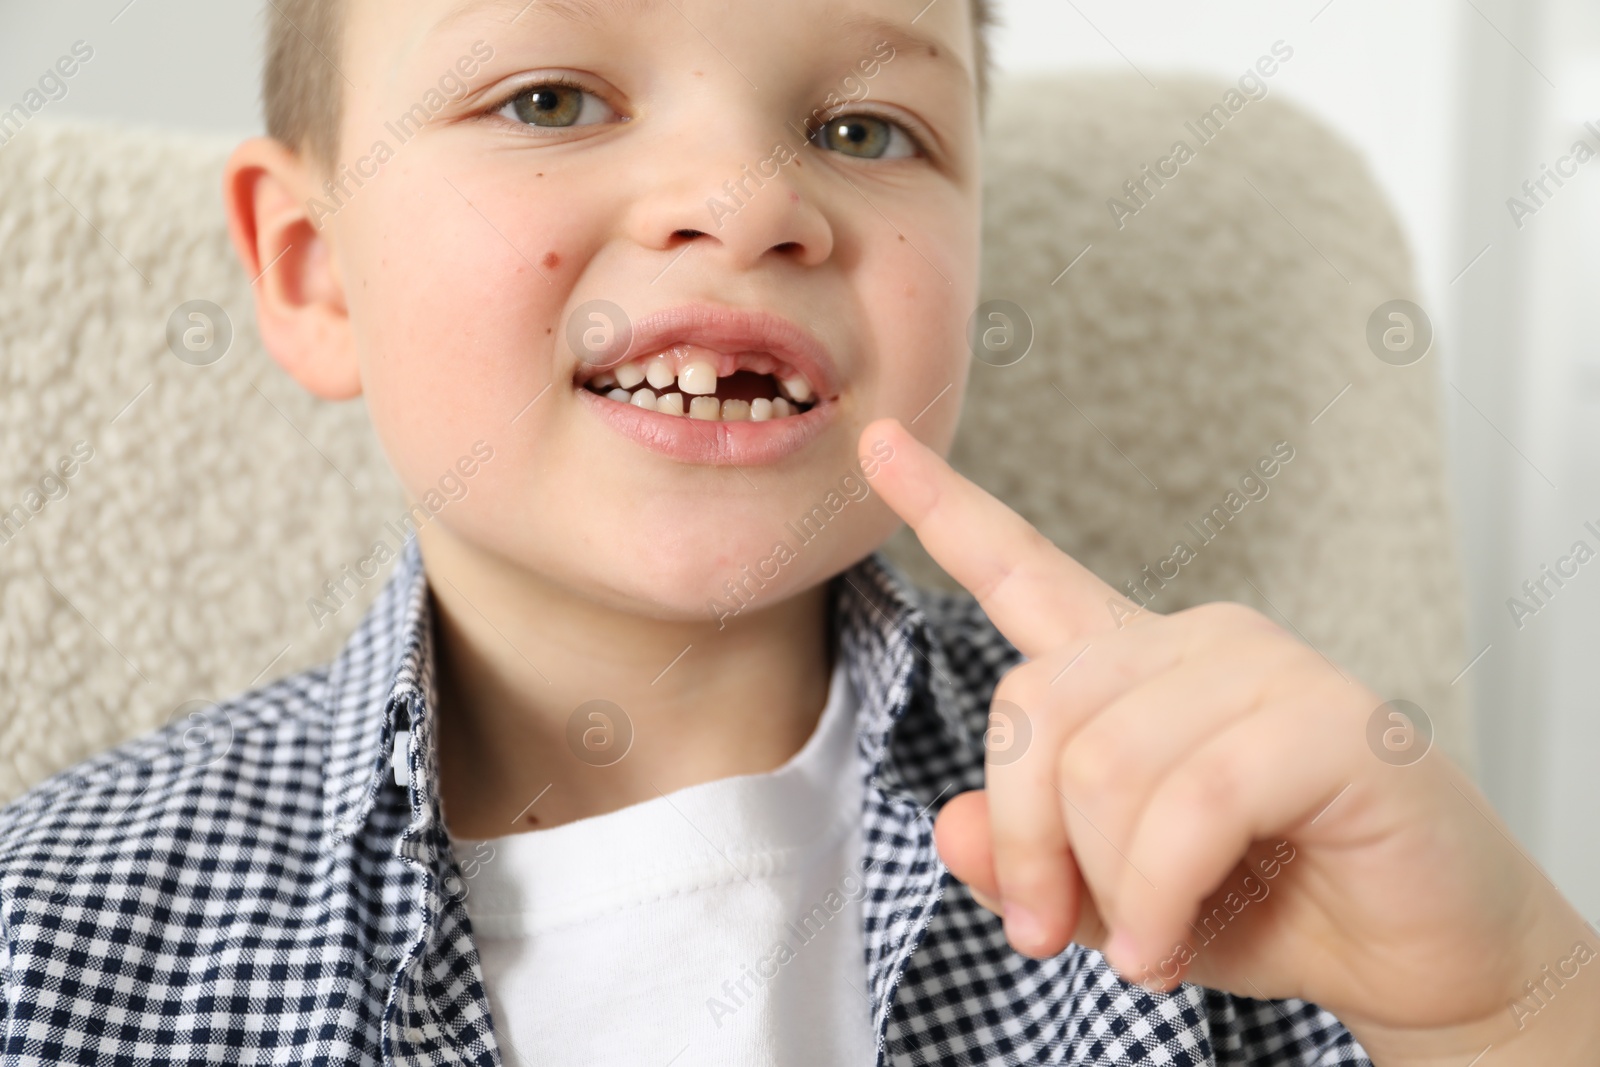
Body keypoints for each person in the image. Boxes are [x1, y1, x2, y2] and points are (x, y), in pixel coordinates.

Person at [2, 0, 1596, 1063]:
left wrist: (1503, 1004)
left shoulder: (1225, 877)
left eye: (863, 130)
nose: (747, 198)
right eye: (550, 97)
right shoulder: (50, 940)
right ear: (312, 272)